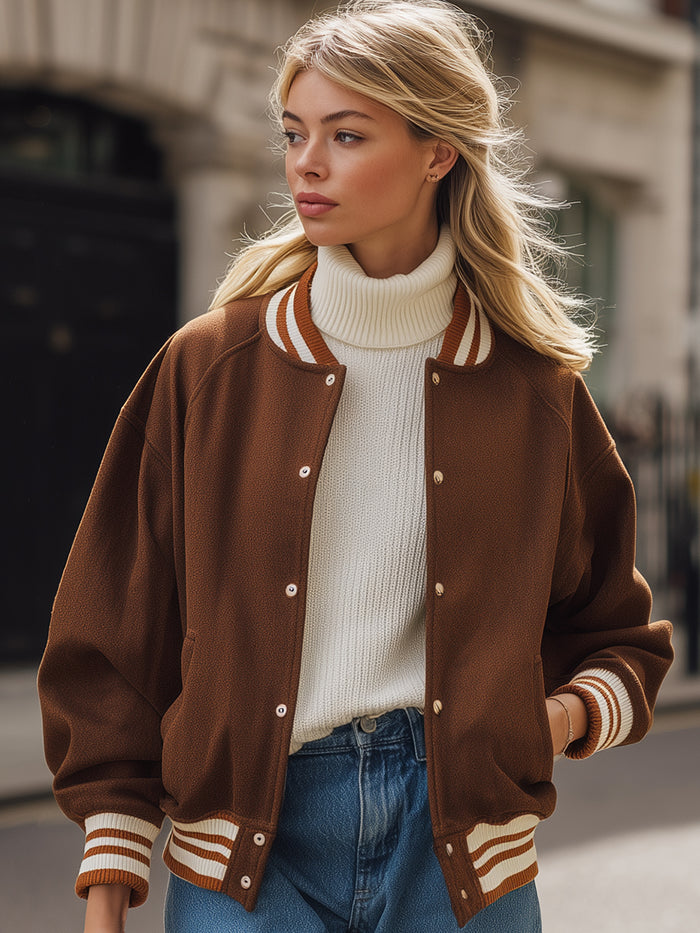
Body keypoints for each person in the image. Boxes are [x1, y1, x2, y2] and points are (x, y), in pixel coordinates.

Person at [38, 1, 674, 930]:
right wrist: (108, 889)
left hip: (461, 855)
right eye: (294, 132)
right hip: (243, 854)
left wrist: (552, 721)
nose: (306, 162)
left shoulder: (532, 390)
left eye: (345, 134)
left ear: (436, 152)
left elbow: (619, 636)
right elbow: (112, 636)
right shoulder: (209, 367)